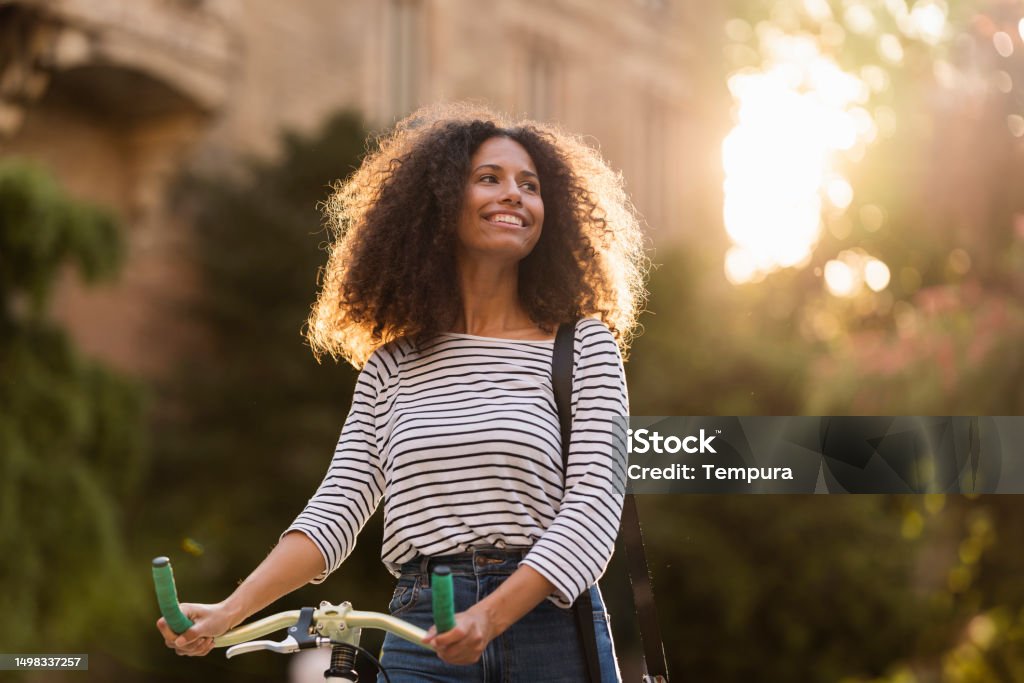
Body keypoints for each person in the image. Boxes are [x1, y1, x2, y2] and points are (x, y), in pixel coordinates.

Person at [156, 102, 647, 682]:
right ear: (437, 206)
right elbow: (336, 510)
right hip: (423, 632)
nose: (513, 193)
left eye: (530, 185)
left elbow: (592, 511)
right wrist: (227, 612)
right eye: (488, 178)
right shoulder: (393, 366)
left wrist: (488, 617)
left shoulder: (585, 346)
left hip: (550, 633)